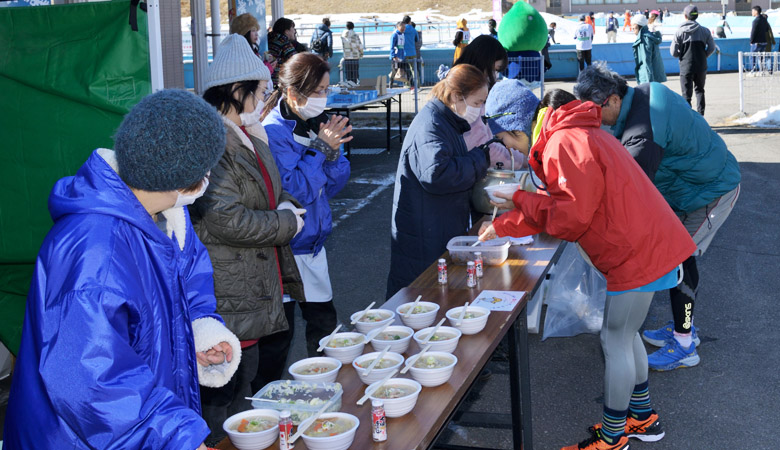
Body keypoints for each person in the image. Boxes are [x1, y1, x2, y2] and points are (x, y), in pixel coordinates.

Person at [3, 89, 240, 450]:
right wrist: (173, 436)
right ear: (186, 176)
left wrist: (199, 332)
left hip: (136, 428)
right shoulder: (96, 252)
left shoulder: (167, 219)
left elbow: (187, 285)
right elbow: (90, 382)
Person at [478, 83, 696, 450]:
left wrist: (518, 197)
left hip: (636, 252)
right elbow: (559, 208)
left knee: (615, 341)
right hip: (646, 245)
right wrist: (502, 225)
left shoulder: (563, 142)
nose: (510, 148)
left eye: (505, 139)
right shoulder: (570, 133)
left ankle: (612, 439)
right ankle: (641, 418)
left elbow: (569, 219)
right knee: (626, 337)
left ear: (517, 126)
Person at [574, 63, 741, 371]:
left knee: (675, 260)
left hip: (712, 192)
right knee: (678, 260)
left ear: (612, 99)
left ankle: (685, 342)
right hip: (685, 191)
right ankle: (683, 326)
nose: (594, 118)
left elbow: (625, 193)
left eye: (595, 109)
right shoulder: (642, 95)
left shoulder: (643, 133)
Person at [193, 34, 305, 446]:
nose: (265, 98)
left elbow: (271, 190)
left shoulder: (246, 130)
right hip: (231, 287)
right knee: (225, 390)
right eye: (259, 91)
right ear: (236, 90)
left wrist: (289, 206)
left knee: (247, 377)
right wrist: (285, 223)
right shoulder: (215, 141)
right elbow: (224, 217)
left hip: (254, 284)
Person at [261, 53, 352, 357]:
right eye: (317, 92)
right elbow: (295, 190)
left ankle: (325, 387)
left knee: (325, 327)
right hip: (285, 250)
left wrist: (334, 153)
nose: (323, 98)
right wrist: (321, 150)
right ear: (292, 93)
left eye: (326, 90)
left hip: (312, 246)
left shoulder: (314, 124)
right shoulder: (274, 131)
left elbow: (333, 186)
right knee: (278, 339)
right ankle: (265, 398)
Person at [386, 64, 490, 299]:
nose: (480, 110)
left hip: (435, 223)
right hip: (424, 231)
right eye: (476, 103)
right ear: (456, 96)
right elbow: (437, 174)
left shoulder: (446, 120)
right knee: (421, 297)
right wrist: (479, 158)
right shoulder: (431, 124)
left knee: (434, 297)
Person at [453, 35, 529, 169]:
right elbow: (485, 148)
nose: (495, 76)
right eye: (495, 70)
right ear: (483, 63)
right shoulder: (465, 97)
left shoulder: (459, 87)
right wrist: (522, 161)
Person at [670, 5, 715, 115]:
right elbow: (712, 48)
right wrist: (704, 55)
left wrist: (681, 56)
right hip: (701, 66)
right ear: (697, 16)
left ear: (685, 16)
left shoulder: (679, 32)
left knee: (686, 94)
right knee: (700, 90)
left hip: (686, 66)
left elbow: (673, 52)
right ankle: (701, 116)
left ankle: (688, 118)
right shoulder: (705, 31)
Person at [632, 14, 666, 84]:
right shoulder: (650, 36)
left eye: (634, 26)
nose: (632, 28)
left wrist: (649, 81)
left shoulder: (644, 39)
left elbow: (646, 61)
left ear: (638, 25)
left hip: (646, 78)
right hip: (654, 75)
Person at [268, 18, 300, 83]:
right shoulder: (283, 41)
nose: (294, 31)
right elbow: (297, 60)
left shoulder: (269, 39)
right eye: (293, 28)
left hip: (268, 79)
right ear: (286, 31)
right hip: (278, 80)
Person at [750, 6, 770, 71]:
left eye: (752, 11)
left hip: (756, 42)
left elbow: (753, 32)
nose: (752, 12)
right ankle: (762, 71)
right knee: (761, 57)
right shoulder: (764, 20)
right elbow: (767, 29)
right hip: (764, 41)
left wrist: (751, 41)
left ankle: (753, 71)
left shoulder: (755, 21)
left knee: (752, 57)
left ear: (756, 11)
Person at [403, 15, 419, 88]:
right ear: (409, 21)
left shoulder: (402, 29)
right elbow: (417, 39)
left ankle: (407, 84)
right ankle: (417, 85)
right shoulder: (413, 29)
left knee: (406, 69)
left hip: (404, 53)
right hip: (412, 52)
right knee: (414, 70)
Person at [389, 22, 407, 87]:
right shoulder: (394, 35)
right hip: (396, 57)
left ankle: (407, 84)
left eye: (404, 27)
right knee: (394, 71)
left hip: (402, 56)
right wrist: (393, 56)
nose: (403, 28)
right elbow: (392, 46)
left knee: (405, 71)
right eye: (402, 27)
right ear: (398, 27)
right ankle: (390, 84)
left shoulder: (403, 34)